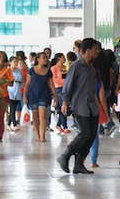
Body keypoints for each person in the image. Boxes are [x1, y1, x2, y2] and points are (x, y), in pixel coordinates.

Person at [59, 39, 106, 174]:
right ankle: (65, 155)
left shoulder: (92, 68)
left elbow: (93, 89)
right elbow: (68, 85)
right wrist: (65, 102)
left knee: (91, 136)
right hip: (80, 106)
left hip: (93, 106)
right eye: (95, 49)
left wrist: (99, 106)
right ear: (88, 50)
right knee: (84, 134)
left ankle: (79, 163)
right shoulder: (76, 66)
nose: (97, 51)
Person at [23, 52, 57, 142]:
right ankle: (37, 135)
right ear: (38, 59)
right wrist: (24, 96)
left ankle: (43, 136)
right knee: (35, 116)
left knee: (43, 115)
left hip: (44, 95)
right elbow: (27, 84)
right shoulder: (31, 70)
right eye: (43, 57)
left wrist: (56, 96)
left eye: (46, 57)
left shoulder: (48, 71)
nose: (45, 59)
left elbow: (51, 84)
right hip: (33, 95)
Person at [51, 53, 70, 134]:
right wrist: (64, 81)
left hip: (66, 88)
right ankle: (64, 126)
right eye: (63, 58)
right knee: (63, 106)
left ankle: (59, 124)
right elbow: (54, 79)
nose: (65, 59)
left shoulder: (66, 67)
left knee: (66, 106)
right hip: (59, 89)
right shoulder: (54, 68)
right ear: (59, 58)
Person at [8, 56, 24, 132]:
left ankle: (8, 124)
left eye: (17, 62)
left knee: (13, 108)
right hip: (10, 89)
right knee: (12, 108)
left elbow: (22, 80)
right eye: (14, 62)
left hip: (18, 89)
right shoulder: (8, 70)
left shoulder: (19, 71)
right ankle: (14, 124)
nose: (16, 63)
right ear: (10, 62)